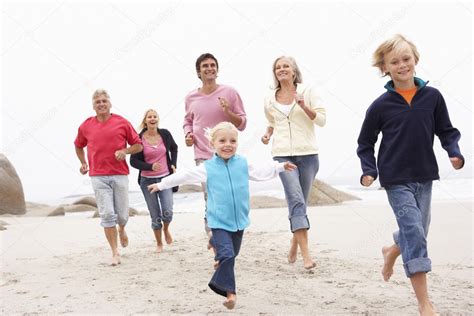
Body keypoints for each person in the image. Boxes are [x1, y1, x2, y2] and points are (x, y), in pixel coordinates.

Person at [357, 34, 464, 316]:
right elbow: (365, 143)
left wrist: (454, 152)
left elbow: (447, 131)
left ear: (415, 60)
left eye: (406, 59)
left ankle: (392, 250)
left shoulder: (432, 97)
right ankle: (424, 303)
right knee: (415, 232)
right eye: (395, 61)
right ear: (385, 68)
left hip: (425, 175)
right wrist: (369, 171)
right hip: (395, 178)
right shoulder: (380, 106)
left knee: (417, 230)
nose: (402, 65)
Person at [148, 122, 296, 309]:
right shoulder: (208, 167)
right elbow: (184, 176)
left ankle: (214, 243)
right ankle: (230, 294)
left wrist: (280, 167)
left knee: (231, 255)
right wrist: (161, 185)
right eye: (222, 141)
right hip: (218, 221)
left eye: (233, 140)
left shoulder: (242, 163)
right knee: (227, 256)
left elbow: (261, 171)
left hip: (239, 221)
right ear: (213, 144)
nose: (228, 144)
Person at [261, 56, 326, 269]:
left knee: (301, 203)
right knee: (296, 199)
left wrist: (303, 105)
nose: (281, 70)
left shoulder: (308, 91)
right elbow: (272, 122)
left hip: (308, 154)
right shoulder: (270, 98)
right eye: (277, 67)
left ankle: (294, 244)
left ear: (294, 70)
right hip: (282, 155)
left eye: (285, 66)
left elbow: (321, 120)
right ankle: (307, 256)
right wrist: (267, 134)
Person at [183, 53, 247, 247]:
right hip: (203, 154)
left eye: (213, 65)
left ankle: (225, 233)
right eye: (205, 66)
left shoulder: (230, 92)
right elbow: (187, 121)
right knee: (210, 196)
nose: (209, 68)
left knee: (226, 196)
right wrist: (188, 134)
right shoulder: (191, 97)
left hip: (227, 154)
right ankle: (214, 235)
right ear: (198, 72)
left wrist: (228, 112)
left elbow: (242, 123)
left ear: (217, 70)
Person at [74, 89, 143, 266]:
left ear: (110, 103)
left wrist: (125, 151)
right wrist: (83, 163)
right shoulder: (86, 125)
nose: (101, 104)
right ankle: (114, 252)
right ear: (93, 106)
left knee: (122, 215)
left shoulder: (122, 122)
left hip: (119, 174)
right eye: (98, 102)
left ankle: (122, 228)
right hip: (98, 176)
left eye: (104, 101)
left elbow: (138, 145)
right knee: (106, 214)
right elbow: (78, 146)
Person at [130, 109, 178, 253]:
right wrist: (150, 166)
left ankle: (166, 229)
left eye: (155, 116)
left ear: (158, 119)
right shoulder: (139, 138)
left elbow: (174, 148)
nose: (152, 119)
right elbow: (133, 161)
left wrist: (173, 164)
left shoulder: (165, 134)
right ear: (145, 121)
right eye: (149, 117)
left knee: (168, 211)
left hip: (165, 179)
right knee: (155, 214)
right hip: (147, 181)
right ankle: (159, 243)